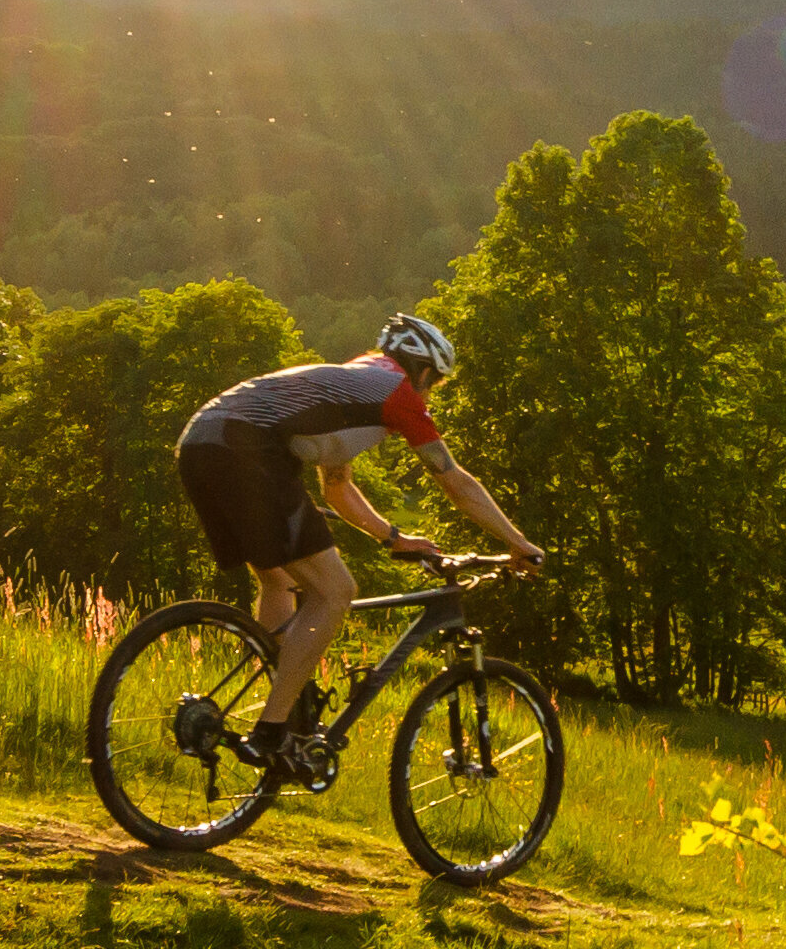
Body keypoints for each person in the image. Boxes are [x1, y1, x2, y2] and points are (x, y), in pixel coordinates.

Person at [172, 313, 541, 770]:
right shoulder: (399, 395)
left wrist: (392, 535)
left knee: (278, 580)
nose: (430, 395)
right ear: (422, 371)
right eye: (435, 384)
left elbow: (336, 487)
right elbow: (456, 484)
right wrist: (518, 542)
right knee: (337, 590)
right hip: (246, 447)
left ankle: (276, 702)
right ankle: (272, 731)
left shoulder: (352, 383)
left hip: (200, 443)